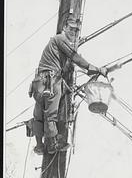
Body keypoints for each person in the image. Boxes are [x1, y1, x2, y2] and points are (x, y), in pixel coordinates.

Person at [29, 19, 107, 155]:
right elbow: (74, 56)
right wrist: (94, 68)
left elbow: (70, 64)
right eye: (71, 28)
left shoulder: (55, 44)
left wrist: (88, 70)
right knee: (51, 115)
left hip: (38, 82)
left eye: (76, 30)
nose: (73, 32)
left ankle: (40, 146)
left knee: (39, 115)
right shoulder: (60, 38)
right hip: (50, 81)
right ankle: (53, 145)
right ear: (64, 27)